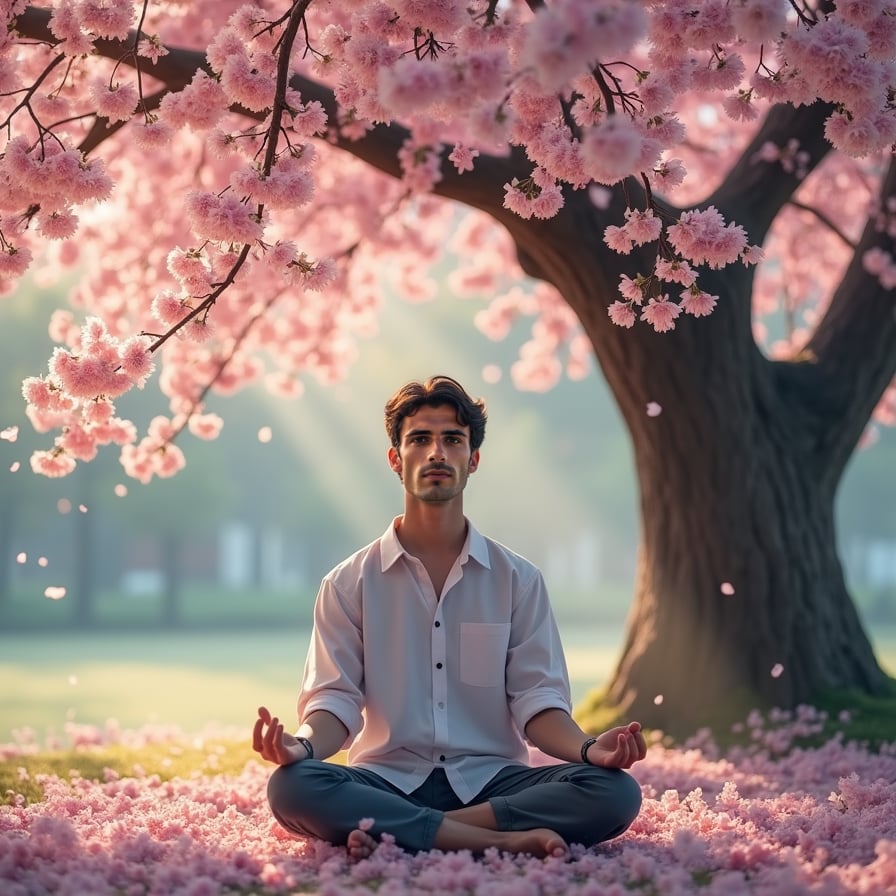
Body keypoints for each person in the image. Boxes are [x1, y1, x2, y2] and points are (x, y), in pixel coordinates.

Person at [253, 375, 646, 859]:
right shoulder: (347, 583)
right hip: (385, 780)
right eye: (419, 439)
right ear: (396, 459)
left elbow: (537, 702)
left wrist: (591, 751)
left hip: (494, 783)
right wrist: (303, 749)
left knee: (615, 790)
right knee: (293, 785)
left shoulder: (518, 579)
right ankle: (496, 841)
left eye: (452, 440)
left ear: (472, 459)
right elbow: (334, 703)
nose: (436, 452)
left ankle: (410, 833)